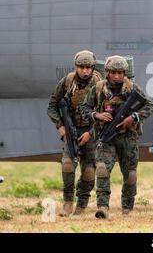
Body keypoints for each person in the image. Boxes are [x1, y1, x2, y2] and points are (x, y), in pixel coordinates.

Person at [81, 55, 153, 219]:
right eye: (113, 72)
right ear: (107, 72)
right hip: (106, 137)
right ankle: (102, 207)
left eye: (120, 72)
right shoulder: (99, 89)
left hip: (128, 137)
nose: (117, 76)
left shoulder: (131, 88)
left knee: (130, 174)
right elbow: (84, 109)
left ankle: (127, 207)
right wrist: (97, 115)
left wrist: (133, 117)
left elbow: (150, 105)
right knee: (101, 170)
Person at [47, 50, 103, 216]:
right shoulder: (67, 81)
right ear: (76, 67)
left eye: (88, 67)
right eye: (81, 67)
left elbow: (106, 112)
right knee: (67, 165)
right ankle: (68, 203)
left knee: (89, 170)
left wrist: (91, 133)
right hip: (71, 130)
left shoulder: (99, 84)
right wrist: (60, 126)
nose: (85, 71)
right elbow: (52, 105)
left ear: (93, 68)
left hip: (92, 130)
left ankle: (82, 204)